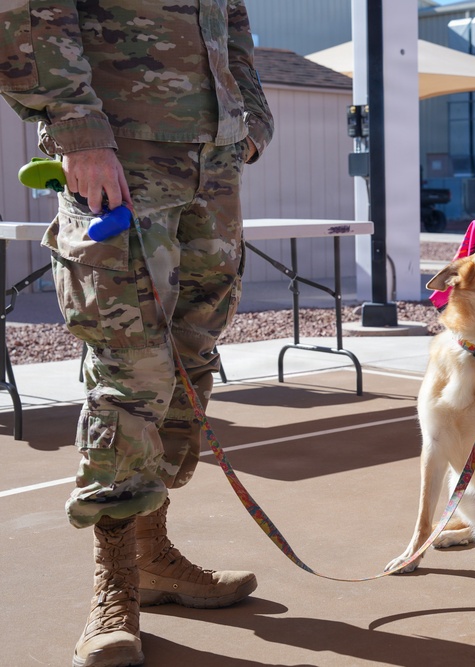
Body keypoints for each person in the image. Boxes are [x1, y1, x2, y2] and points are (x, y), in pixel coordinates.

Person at [0, 2, 273, 665]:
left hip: (214, 159)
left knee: (192, 353)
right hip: (121, 153)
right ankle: (115, 583)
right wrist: (78, 130)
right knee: (130, 368)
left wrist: (251, 120)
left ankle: (153, 554)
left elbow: (231, 17)